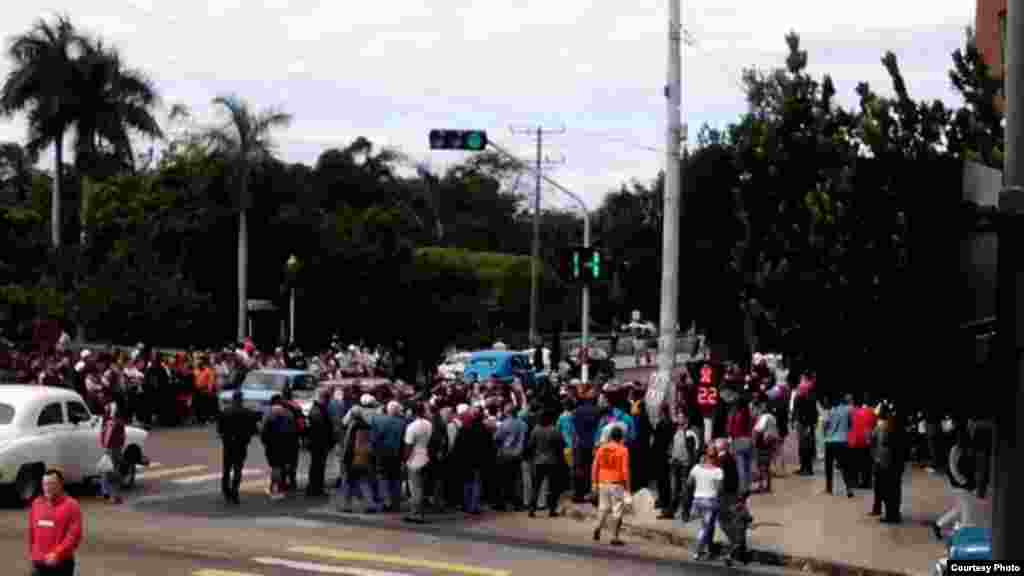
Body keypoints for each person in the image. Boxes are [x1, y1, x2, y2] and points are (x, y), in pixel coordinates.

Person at [27, 469, 83, 576]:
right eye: (45, 484)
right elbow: (32, 531)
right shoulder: (36, 503)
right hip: (39, 562)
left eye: (51, 484)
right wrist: (33, 553)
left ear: (61, 484)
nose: (47, 488)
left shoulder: (71, 505)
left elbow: (74, 535)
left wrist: (57, 553)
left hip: (61, 563)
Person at [591, 426, 630, 546]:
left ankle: (598, 527)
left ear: (611, 436)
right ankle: (615, 537)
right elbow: (625, 470)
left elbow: (595, 466)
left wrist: (594, 483)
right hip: (616, 483)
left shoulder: (602, 449)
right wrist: (628, 487)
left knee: (603, 507)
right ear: (621, 438)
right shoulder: (623, 450)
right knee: (617, 510)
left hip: (602, 482)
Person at [217, 389, 258, 504]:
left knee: (226, 468)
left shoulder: (225, 412)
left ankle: (226, 491)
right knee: (238, 469)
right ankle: (235, 491)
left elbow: (219, 430)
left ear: (233, 399)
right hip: (241, 444)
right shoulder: (248, 413)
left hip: (228, 444)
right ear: (242, 399)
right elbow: (253, 430)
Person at [687, 445, 723, 561]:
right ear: (716, 456)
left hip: (697, 501)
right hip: (710, 502)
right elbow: (719, 489)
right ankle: (697, 551)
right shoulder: (718, 471)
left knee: (708, 527)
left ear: (705, 455)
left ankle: (708, 549)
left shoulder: (696, 468)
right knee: (705, 528)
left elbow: (689, 483)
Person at [527, 409, 565, 518]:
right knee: (553, 487)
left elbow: (530, 445)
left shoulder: (535, 430)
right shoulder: (555, 430)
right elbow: (561, 446)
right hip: (552, 462)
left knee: (536, 486)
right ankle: (552, 510)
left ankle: (532, 509)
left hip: (538, 462)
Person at [404, 402, 433, 523]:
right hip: (425, 457)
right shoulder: (429, 424)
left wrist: (405, 460)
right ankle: (420, 512)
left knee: (415, 488)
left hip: (414, 460)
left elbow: (408, 446)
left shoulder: (412, 427)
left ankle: (416, 513)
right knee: (421, 487)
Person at [305, 387, 335, 498]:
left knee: (317, 466)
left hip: (318, 443)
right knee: (317, 467)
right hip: (319, 444)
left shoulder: (318, 409)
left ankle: (315, 488)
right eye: (328, 398)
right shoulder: (318, 411)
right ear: (325, 398)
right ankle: (315, 489)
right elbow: (321, 430)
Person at [823, 394, 855, 498]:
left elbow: (825, 425)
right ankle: (849, 489)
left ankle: (829, 488)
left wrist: (826, 434)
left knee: (829, 466)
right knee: (845, 466)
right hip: (842, 441)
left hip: (830, 441)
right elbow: (851, 424)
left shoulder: (830, 411)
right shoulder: (847, 411)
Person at [98, 392, 126, 505]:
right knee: (110, 469)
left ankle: (110, 493)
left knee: (109, 469)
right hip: (114, 445)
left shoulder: (110, 416)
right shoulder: (115, 420)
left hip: (111, 445)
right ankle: (111, 494)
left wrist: (104, 443)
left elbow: (106, 431)